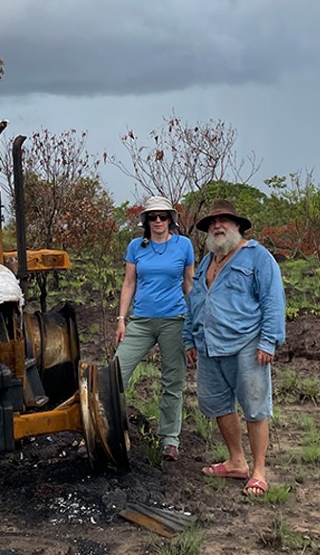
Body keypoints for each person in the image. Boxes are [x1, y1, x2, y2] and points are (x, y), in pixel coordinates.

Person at [182, 199, 285, 497]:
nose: (217, 226)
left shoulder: (257, 257)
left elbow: (273, 300)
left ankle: (259, 471)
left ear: (237, 225)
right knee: (218, 405)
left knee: (254, 407)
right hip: (210, 346)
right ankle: (236, 461)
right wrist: (190, 338)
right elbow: (195, 304)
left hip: (248, 344)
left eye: (224, 220)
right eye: (212, 222)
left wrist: (268, 341)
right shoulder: (207, 262)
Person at [114, 195, 195, 461]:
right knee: (115, 373)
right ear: (146, 221)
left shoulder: (184, 245)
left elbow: (189, 284)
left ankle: (169, 439)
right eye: (153, 216)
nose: (158, 221)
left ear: (171, 219)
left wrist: (195, 321)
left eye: (163, 216)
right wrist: (121, 319)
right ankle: (108, 429)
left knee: (173, 380)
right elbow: (129, 283)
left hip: (174, 320)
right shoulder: (136, 246)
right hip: (141, 320)